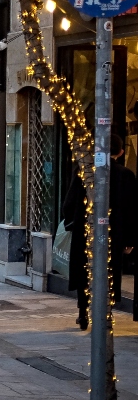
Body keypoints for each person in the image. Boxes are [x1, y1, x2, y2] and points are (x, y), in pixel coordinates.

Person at [61, 133, 136, 330]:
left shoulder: (84, 171)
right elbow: (131, 210)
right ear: (120, 152)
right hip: (115, 233)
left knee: (85, 270)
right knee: (110, 271)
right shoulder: (126, 175)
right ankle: (106, 313)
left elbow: (68, 205)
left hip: (84, 232)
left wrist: (73, 223)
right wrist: (129, 239)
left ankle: (83, 311)